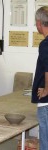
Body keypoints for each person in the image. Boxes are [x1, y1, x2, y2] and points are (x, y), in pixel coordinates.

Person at [32, 6, 48, 150]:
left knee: (46, 141)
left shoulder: (45, 44)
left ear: (39, 23)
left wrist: (46, 89)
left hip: (46, 103)